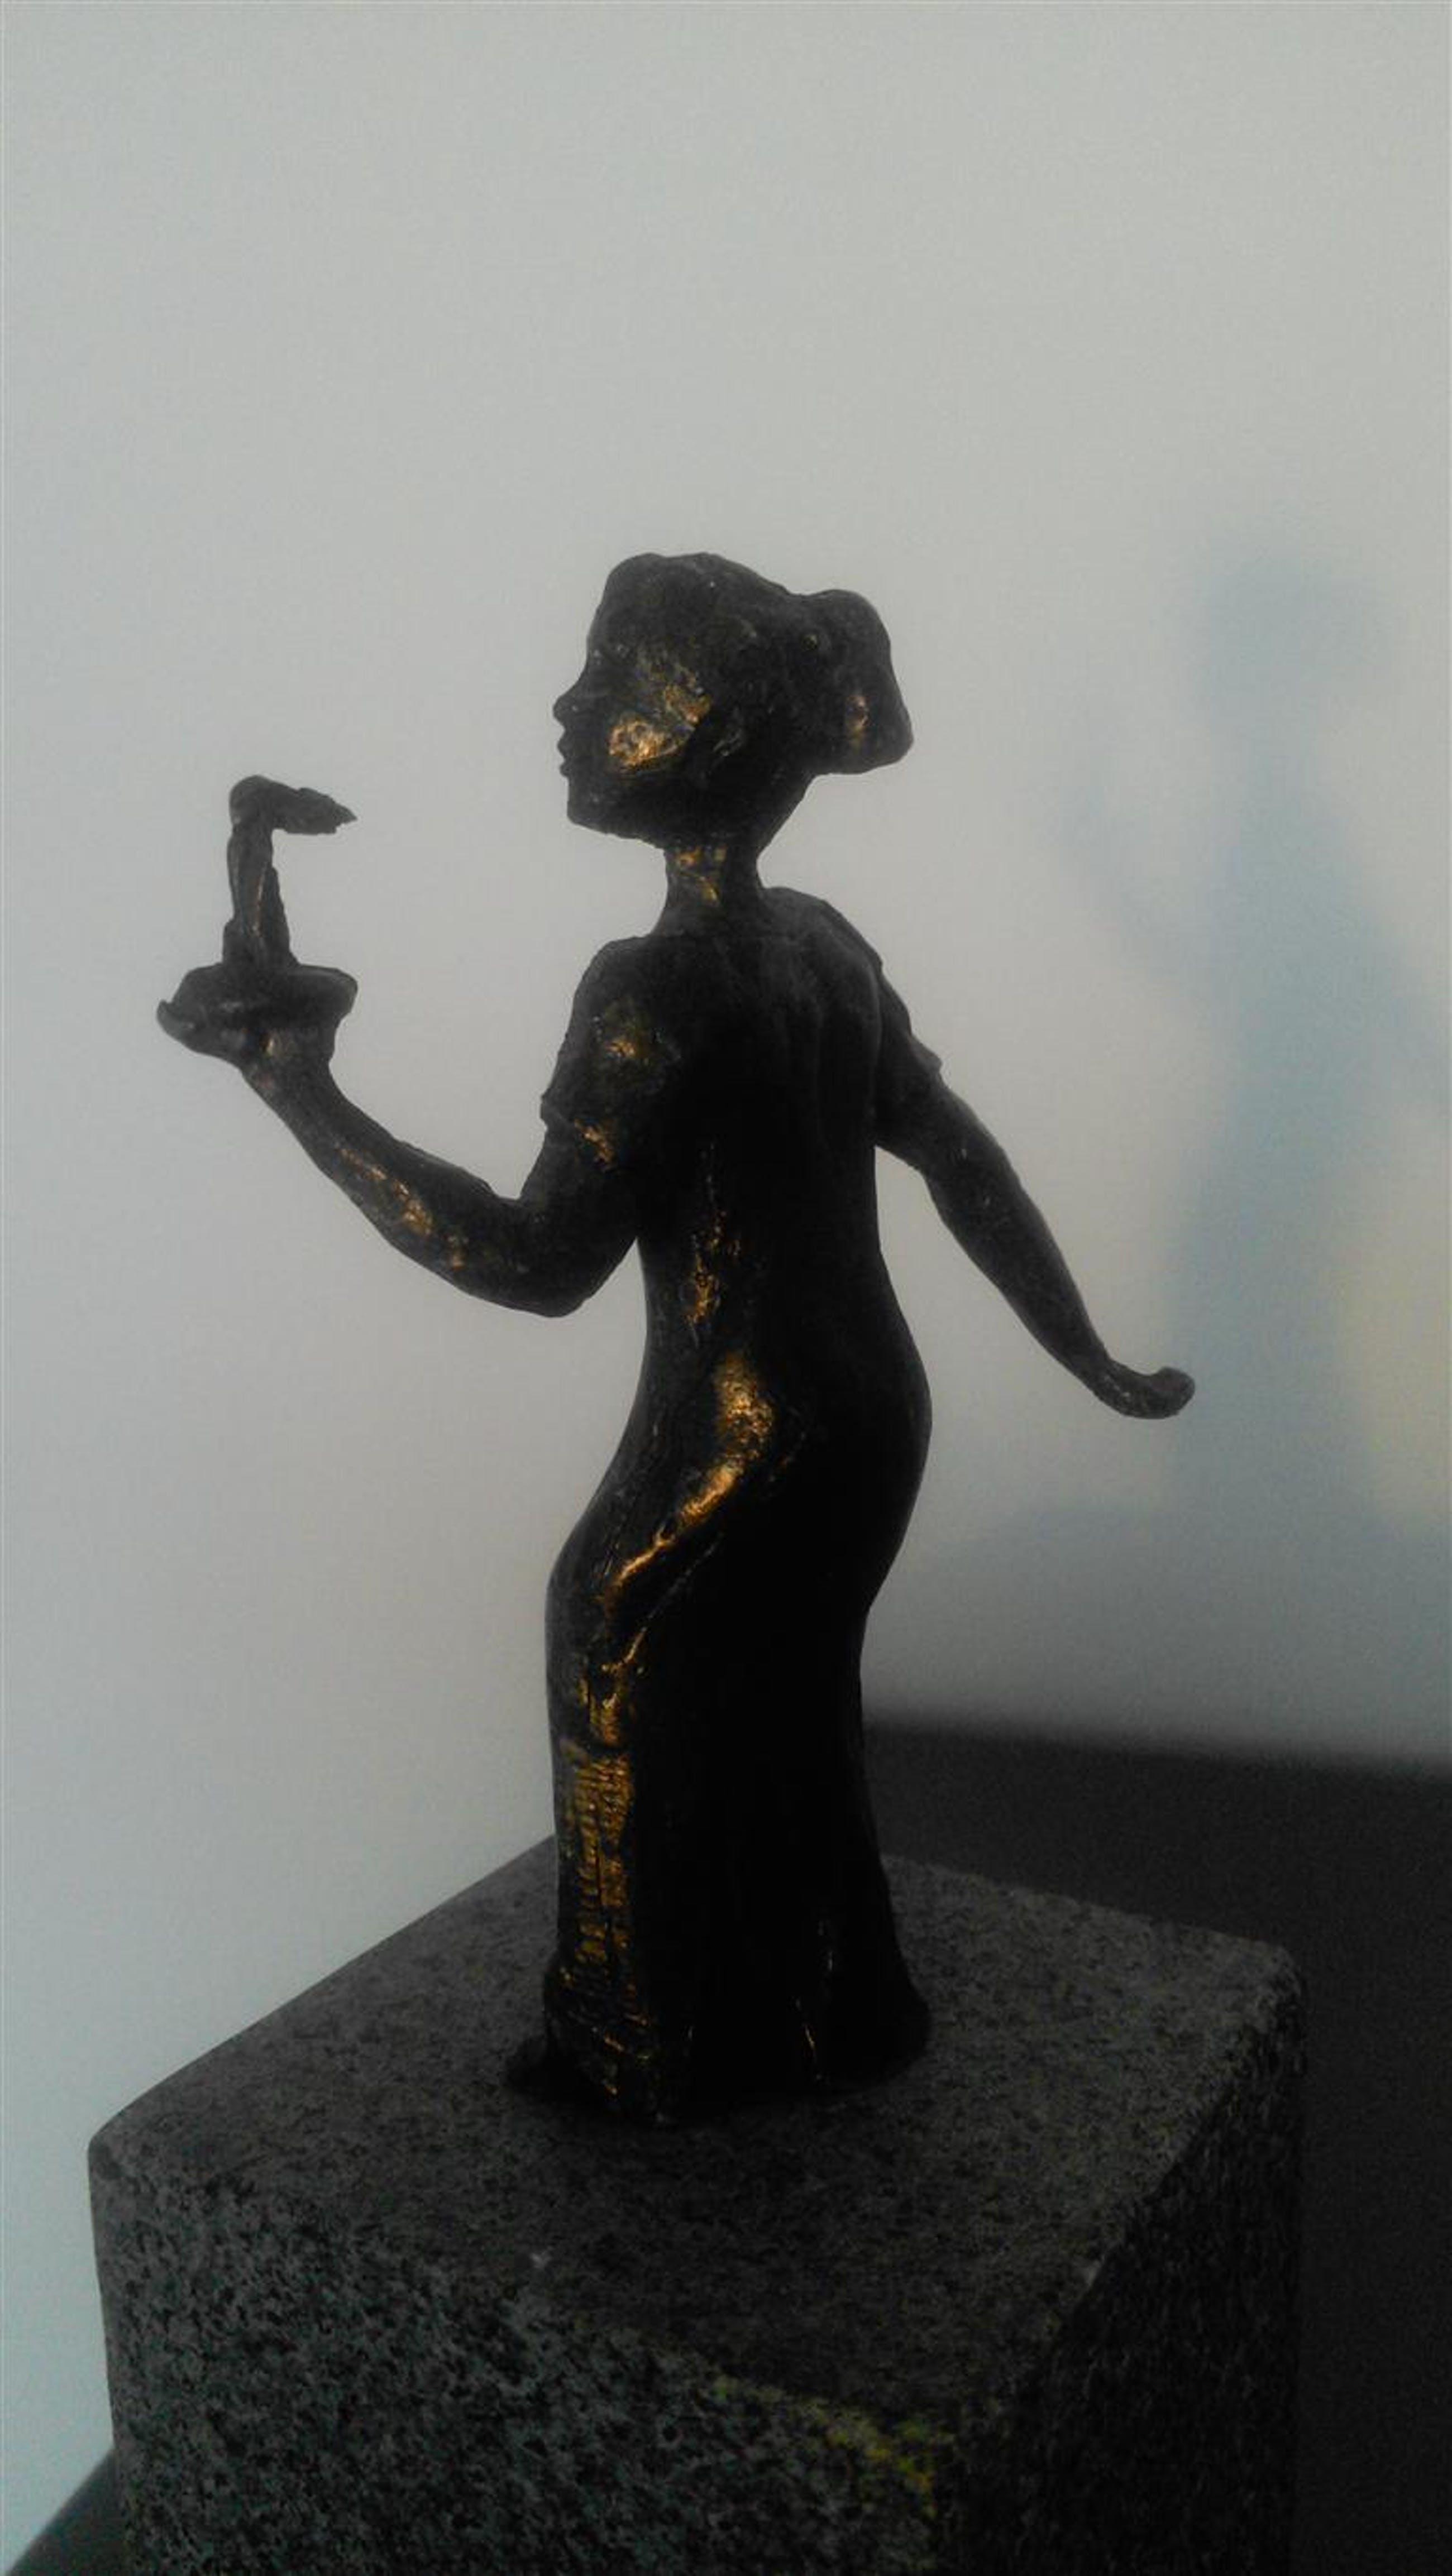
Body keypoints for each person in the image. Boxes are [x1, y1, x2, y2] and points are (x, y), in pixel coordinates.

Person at [165, 550, 1192, 2123]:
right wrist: (1087, 1353)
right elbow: (960, 1156)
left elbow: (533, 1261)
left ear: (704, 729)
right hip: (869, 1417)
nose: (567, 710)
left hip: (748, 1424)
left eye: (610, 685)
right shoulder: (823, 948)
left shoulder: (654, 987)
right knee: (789, 1698)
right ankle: (839, 2004)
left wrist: (298, 1089)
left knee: (610, 1641)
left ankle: (634, 2040)